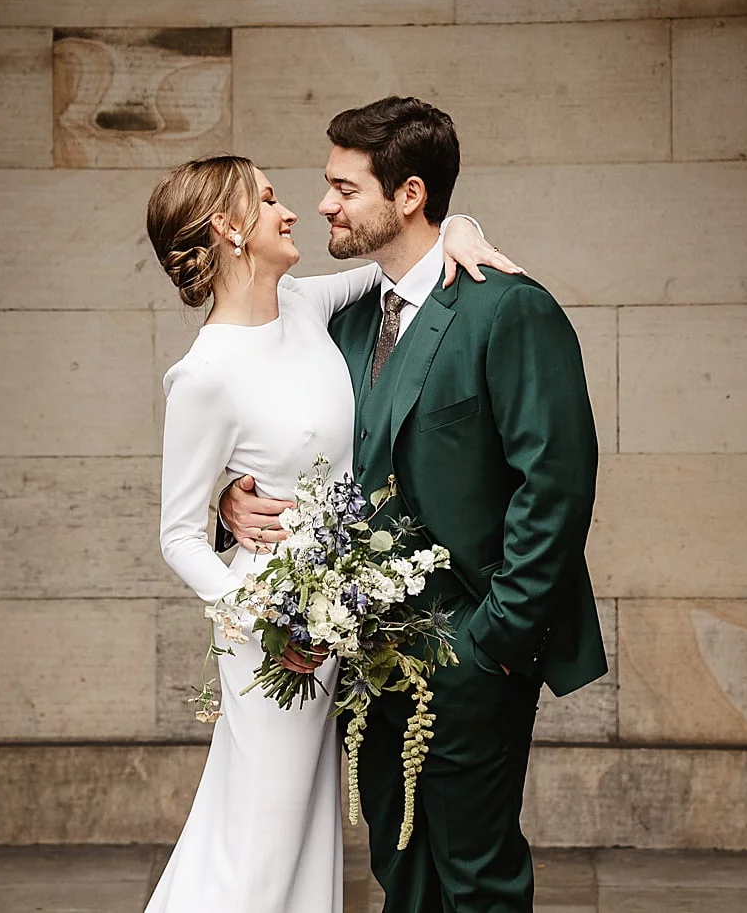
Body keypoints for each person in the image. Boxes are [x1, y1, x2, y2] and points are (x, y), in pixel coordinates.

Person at [220, 97, 606, 912]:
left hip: (475, 649)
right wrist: (228, 494)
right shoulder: (347, 320)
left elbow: (557, 487)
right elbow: (274, 423)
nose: (323, 202)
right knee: (403, 875)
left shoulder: (510, 308)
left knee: (477, 876)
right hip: (366, 656)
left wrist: (495, 641)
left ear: (409, 195)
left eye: (343, 188)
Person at [143, 150, 519, 913]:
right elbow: (178, 536)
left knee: (307, 829)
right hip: (275, 635)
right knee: (265, 834)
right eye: (271, 198)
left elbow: (408, 253)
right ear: (229, 228)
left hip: (340, 618)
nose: (293, 211)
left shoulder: (306, 304)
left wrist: (467, 227)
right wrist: (273, 620)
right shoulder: (203, 372)